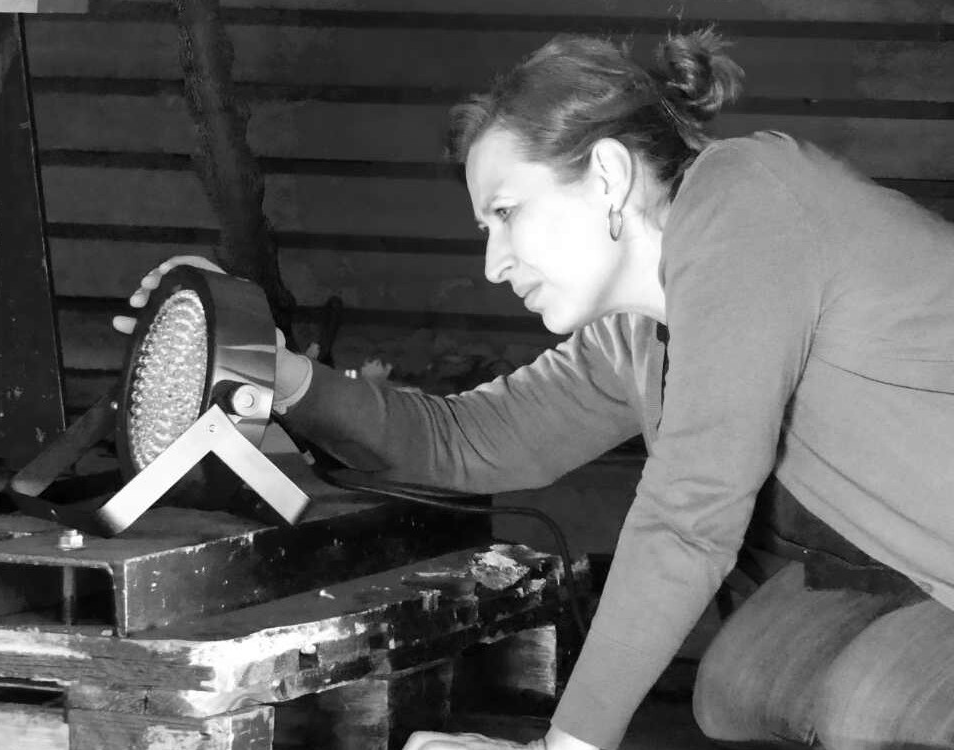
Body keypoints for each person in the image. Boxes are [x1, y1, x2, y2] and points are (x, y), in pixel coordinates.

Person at [116, 29, 954, 750]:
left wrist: (566, 744)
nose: (493, 263)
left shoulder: (747, 204)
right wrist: (274, 369)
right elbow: (467, 440)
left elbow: (689, 515)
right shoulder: (640, 334)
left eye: (507, 212)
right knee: (737, 682)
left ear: (608, 176)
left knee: (864, 704)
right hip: (914, 576)